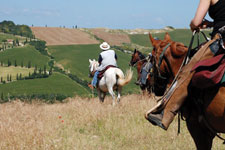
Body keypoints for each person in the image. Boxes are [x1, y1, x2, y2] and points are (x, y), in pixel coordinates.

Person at [146, 0, 225, 130]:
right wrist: (212, 24)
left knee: (187, 72)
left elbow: (197, 22)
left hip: (221, 41)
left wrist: (193, 24)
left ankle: (165, 114)